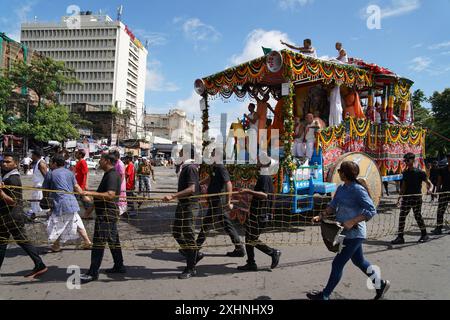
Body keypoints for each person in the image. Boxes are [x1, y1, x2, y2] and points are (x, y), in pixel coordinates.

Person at [307, 161, 390, 300]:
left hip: (355, 234)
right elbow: (333, 205)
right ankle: (380, 284)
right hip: (344, 233)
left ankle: (325, 295)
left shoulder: (358, 189)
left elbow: (371, 210)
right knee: (359, 261)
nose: (338, 173)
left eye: (340, 171)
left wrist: (352, 221)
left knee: (337, 263)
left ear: (344, 174)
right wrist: (321, 215)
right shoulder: (341, 188)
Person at [79, 153, 126, 284]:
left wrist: (90, 193)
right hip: (107, 212)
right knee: (113, 241)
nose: (99, 162)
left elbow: (110, 195)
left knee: (98, 244)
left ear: (106, 161)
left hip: (107, 214)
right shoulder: (109, 174)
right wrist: (90, 209)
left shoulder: (112, 175)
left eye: (100, 160)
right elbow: (101, 194)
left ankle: (93, 273)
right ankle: (119, 265)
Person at [0, 152, 48, 278]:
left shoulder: (13, 178)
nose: (4, 163)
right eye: (3, 161)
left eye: (8, 161)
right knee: (11, 241)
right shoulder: (7, 175)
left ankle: (40, 264)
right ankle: (39, 264)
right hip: (8, 216)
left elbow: (13, 201)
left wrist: (0, 192)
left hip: (12, 216)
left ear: (15, 163)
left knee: (18, 241)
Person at [196, 148, 245, 258]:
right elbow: (210, 178)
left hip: (219, 202)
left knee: (206, 225)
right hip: (215, 201)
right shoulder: (215, 167)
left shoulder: (221, 168)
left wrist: (228, 201)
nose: (211, 156)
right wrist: (199, 183)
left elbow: (229, 184)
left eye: (213, 154)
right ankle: (240, 248)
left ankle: (194, 249)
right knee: (227, 225)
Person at [163, 144, 202, 279]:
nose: (178, 155)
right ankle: (194, 254)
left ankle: (191, 268)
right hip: (183, 204)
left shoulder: (190, 168)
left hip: (190, 206)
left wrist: (173, 196)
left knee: (189, 236)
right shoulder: (186, 167)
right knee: (176, 231)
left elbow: (191, 189)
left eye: (180, 153)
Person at [237, 157, 281, 272]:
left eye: (258, 160)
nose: (256, 162)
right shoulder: (264, 175)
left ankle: (273, 252)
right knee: (249, 237)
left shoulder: (264, 176)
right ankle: (251, 263)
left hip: (260, 213)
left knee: (252, 239)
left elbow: (264, 195)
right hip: (256, 212)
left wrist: (247, 191)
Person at [43, 155, 92, 252]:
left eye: (51, 162)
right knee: (77, 222)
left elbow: (45, 191)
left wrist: (45, 200)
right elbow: (77, 187)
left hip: (61, 204)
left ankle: (56, 246)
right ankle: (87, 242)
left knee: (55, 224)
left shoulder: (50, 173)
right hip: (72, 202)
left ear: (55, 163)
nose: (50, 164)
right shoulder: (70, 173)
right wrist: (83, 196)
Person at [391, 153, 432, 245]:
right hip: (406, 198)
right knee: (402, 216)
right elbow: (403, 187)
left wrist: (430, 190)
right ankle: (400, 237)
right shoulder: (405, 173)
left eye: (408, 160)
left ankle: (424, 234)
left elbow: (429, 183)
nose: (406, 162)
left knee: (417, 216)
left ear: (413, 160)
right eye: (405, 160)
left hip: (416, 198)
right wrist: (399, 199)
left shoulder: (420, 173)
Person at [26, 149, 49, 219]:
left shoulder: (41, 163)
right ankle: (34, 214)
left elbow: (46, 177)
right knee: (35, 202)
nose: (31, 157)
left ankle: (38, 216)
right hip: (37, 186)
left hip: (40, 187)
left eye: (32, 155)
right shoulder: (38, 162)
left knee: (38, 202)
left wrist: (45, 188)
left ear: (36, 155)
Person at [433, 153, 450, 235]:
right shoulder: (442, 169)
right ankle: (439, 228)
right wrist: (437, 190)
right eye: (448, 158)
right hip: (444, 192)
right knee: (440, 210)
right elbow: (439, 181)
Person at [74, 150, 94, 219]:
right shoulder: (78, 162)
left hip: (81, 184)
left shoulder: (83, 162)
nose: (75, 154)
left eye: (77, 153)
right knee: (81, 198)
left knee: (80, 197)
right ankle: (89, 211)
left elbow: (86, 173)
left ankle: (89, 210)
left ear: (80, 155)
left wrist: (86, 184)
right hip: (77, 184)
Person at [111, 150, 127, 216]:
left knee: (120, 196)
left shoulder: (120, 164)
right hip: (116, 182)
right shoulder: (116, 162)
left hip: (120, 183)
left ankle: (120, 212)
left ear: (117, 156)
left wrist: (118, 184)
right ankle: (117, 211)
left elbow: (122, 175)